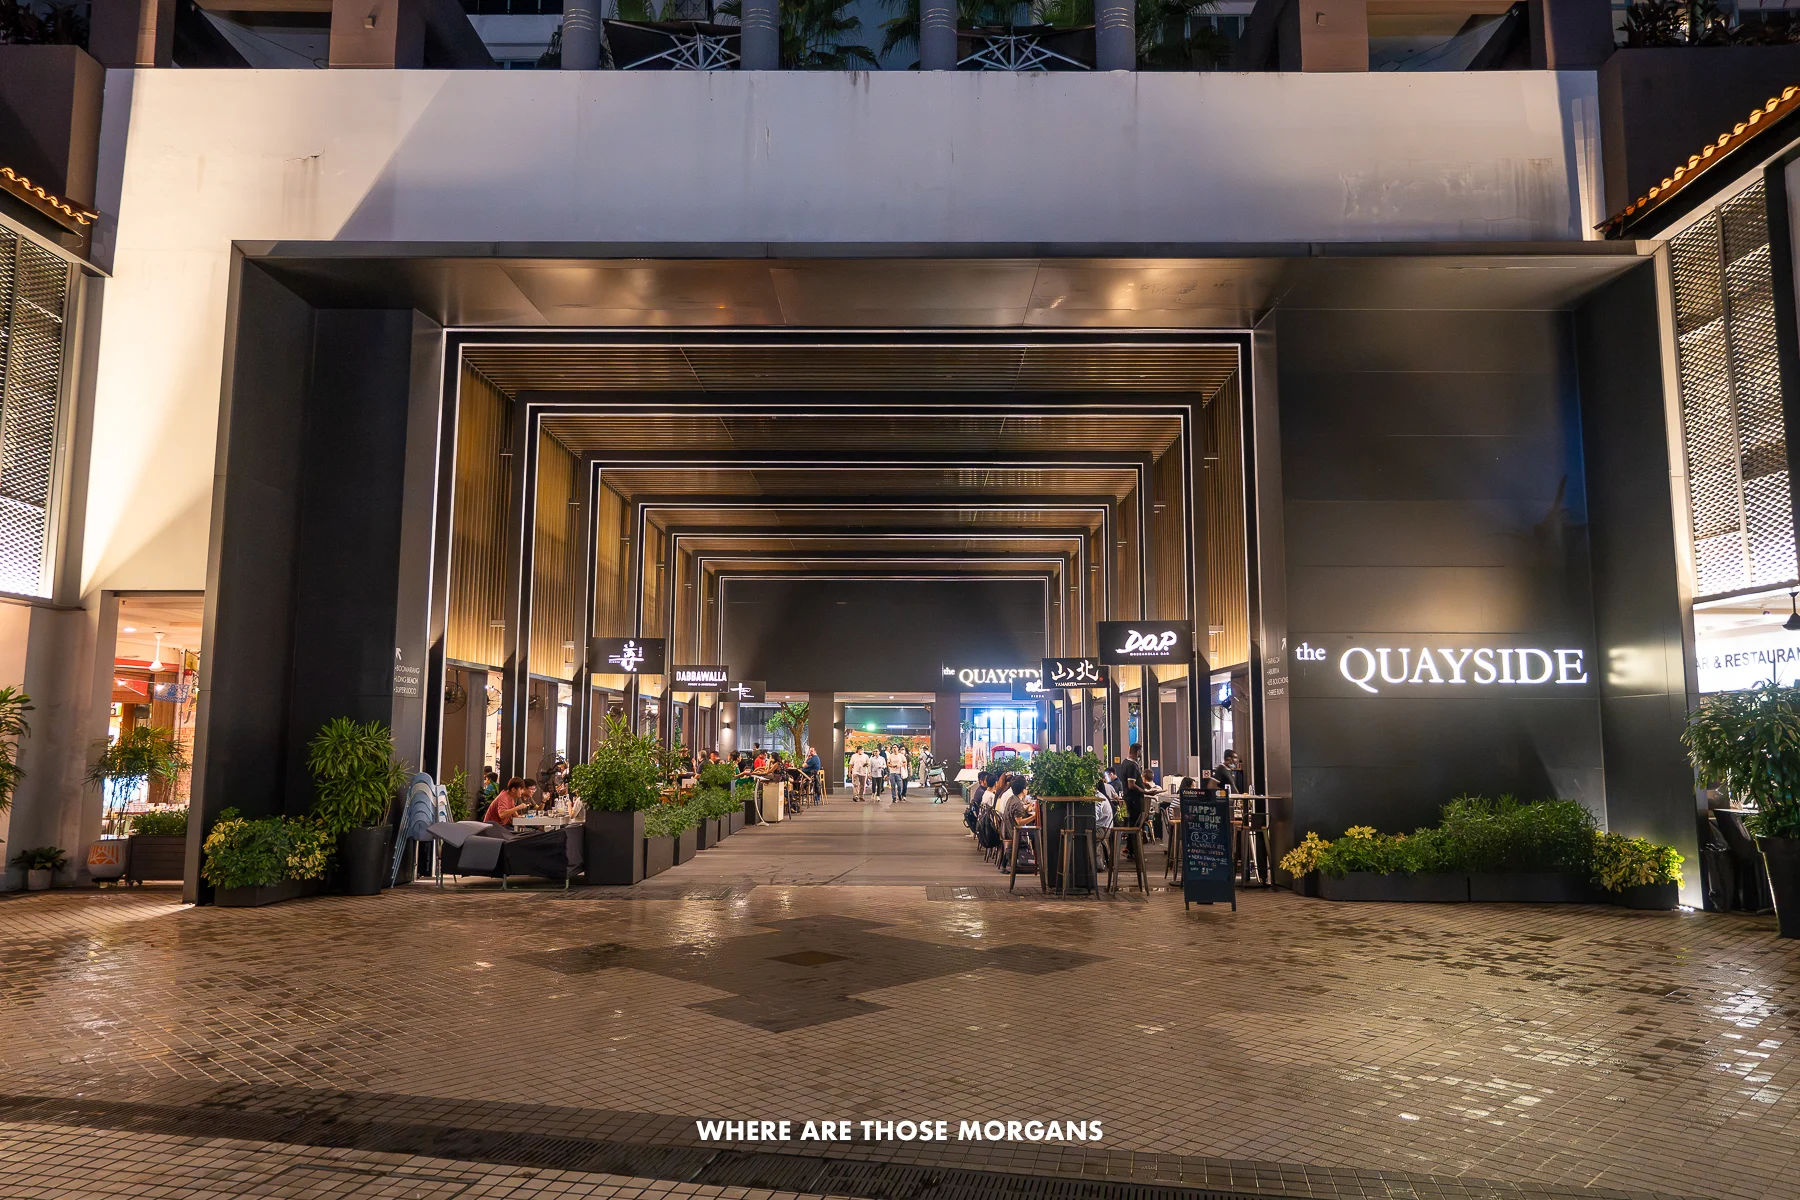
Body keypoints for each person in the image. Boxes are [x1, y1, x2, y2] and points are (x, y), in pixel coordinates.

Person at [1116, 743, 1148, 859]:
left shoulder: (1126, 763)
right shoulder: (1131, 765)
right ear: (1138, 751)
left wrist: (1145, 786)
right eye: (1141, 751)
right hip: (1134, 800)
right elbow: (1131, 785)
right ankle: (1133, 851)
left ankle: (1130, 850)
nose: (1141, 754)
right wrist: (1146, 792)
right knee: (1136, 825)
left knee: (1133, 824)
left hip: (1130, 799)